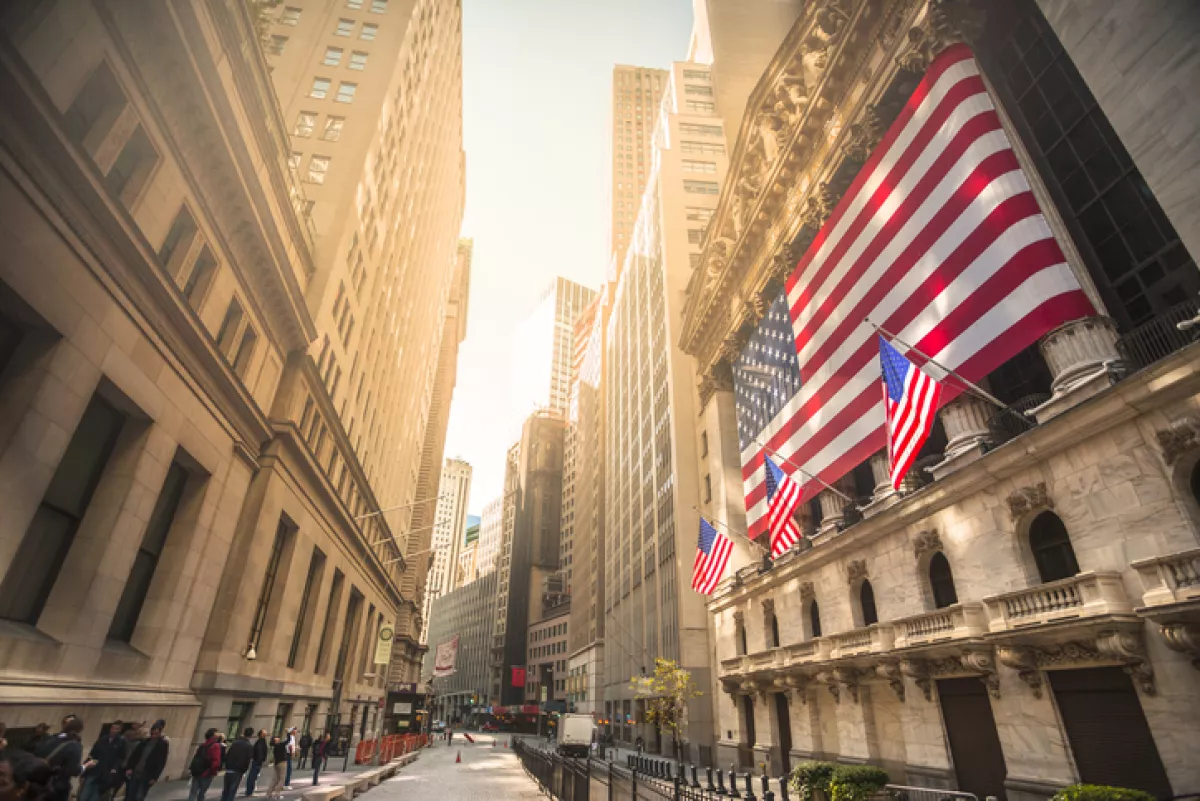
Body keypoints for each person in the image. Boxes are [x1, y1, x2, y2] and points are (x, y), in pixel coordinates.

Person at [35, 717, 84, 801]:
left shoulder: (50, 738)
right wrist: (85, 767)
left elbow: (37, 754)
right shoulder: (75, 746)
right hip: (56, 788)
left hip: (39, 783)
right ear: (79, 730)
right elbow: (73, 770)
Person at [80, 721, 126, 801]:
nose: (114, 730)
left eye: (117, 729)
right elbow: (93, 753)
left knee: (96, 795)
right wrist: (85, 766)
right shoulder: (102, 739)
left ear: (120, 730)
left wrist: (114, 769)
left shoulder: (121, 743)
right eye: (113, 728)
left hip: (106, 773)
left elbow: (120, 758)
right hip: (94, 769)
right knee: (85, 794)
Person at [124, 721, 168, 801]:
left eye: (156, 733)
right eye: (153, 733)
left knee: (139, 796)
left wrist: (154, 777)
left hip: (147, 774)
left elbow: (161, 762)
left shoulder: (162, 745)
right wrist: (130, 767)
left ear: (159, 733)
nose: (154, 735)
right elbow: (135, 755)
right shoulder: (145, 742)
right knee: (130, 794)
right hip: (136, 771)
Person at [186, 728, 222, 801]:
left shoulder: (203, 745)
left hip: (197, 771)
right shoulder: (216, 746)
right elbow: (216, 761)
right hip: (207, 772)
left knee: (193, 792)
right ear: (213, 736)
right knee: (202, 793)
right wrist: (213, 772)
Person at [220, 729, 252, 801]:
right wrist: (244, 770)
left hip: (229, 769)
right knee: (232, 791)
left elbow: (228, 755)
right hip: (238, 770)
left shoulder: (235, 743)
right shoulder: (249, 746)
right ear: (250, 735)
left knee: (226, 790)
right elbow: (247, 760)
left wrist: (227, 765)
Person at [244, 731, 267, 797]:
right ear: (261, 734)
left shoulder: (261, 741)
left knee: (253, 776)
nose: (266, 734)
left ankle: (250, 791)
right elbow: (260, 752)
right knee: (253, 776)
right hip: (257, 761)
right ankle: (249, 791)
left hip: (257, 761)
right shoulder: (260, 742)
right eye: (264, 733)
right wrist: (260, 761)